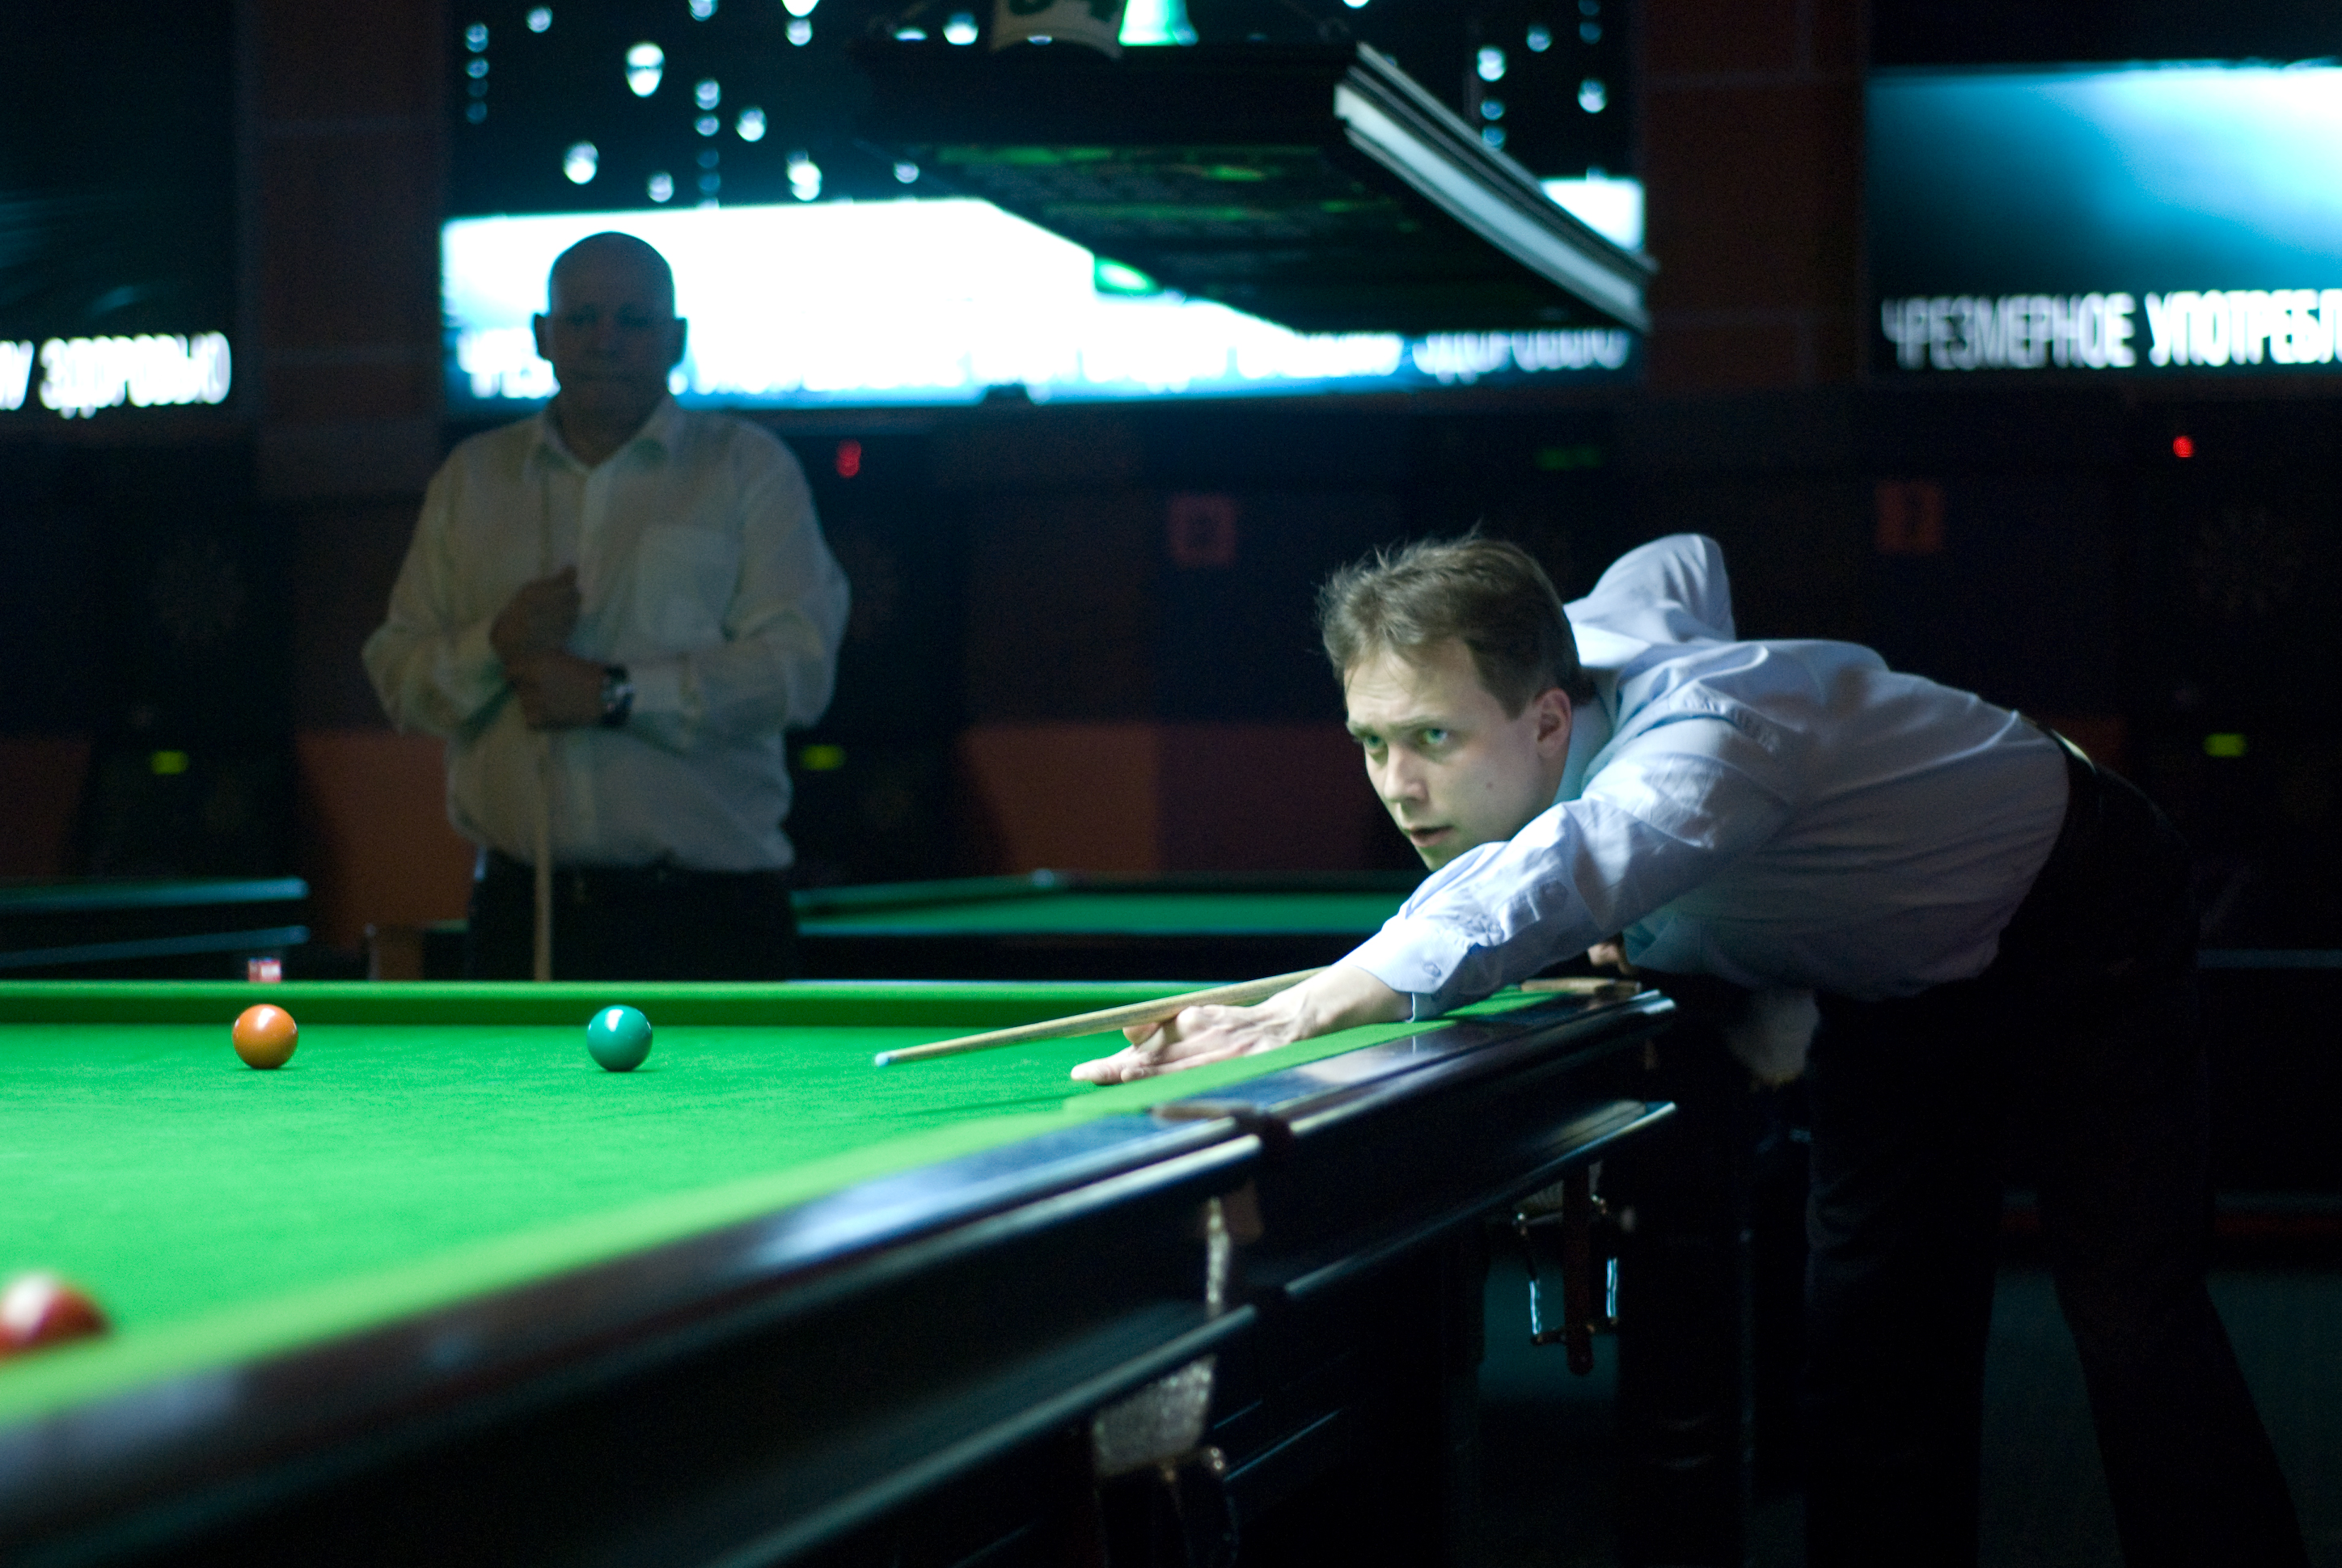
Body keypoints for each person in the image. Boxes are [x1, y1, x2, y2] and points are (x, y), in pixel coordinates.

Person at [1072, 534, 2306, 1568]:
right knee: (1872, 1344)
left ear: (1550, 717)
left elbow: (1574, 860)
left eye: (1434, 737)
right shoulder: (1578, 649)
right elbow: (1681, 562)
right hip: (1889, 974)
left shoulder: (1709, 730)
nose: (1396, 783)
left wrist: (1313, 1004)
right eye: (1370, 739)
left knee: (2132, 1318)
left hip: (2085, 904)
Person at [363, 232, 849, 980]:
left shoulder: (747, 468)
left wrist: (612, 693)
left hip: (707, 917)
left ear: (676, 339)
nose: (606, 340)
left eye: (634, 320)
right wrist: (495, 645)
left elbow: (797, 673)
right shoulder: (474, 478)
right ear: (542, 336)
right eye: (582, 318)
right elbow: (400, 680)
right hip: (521, 914)